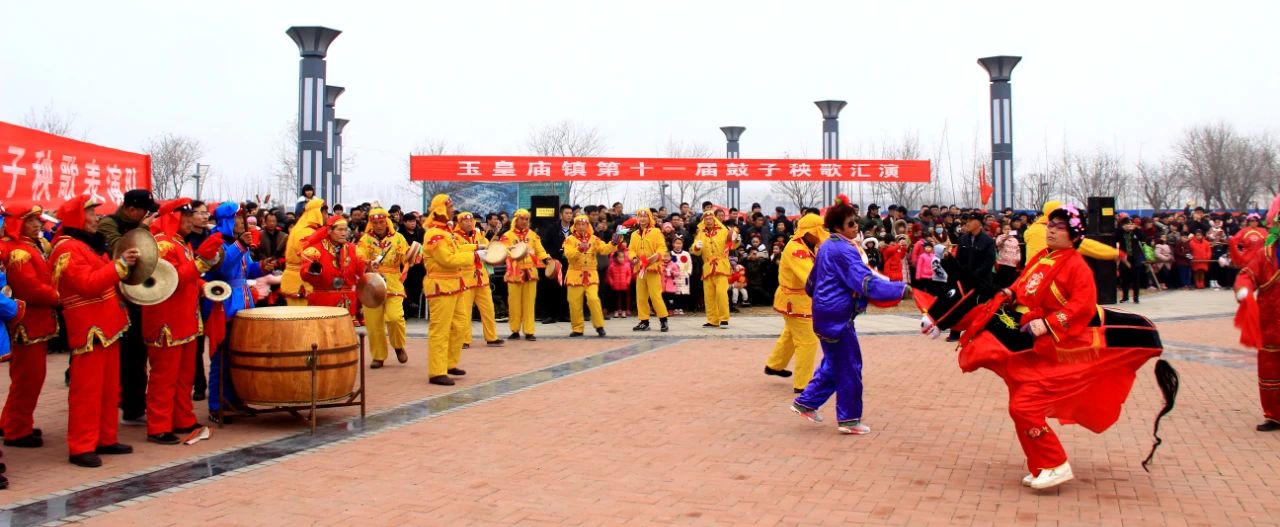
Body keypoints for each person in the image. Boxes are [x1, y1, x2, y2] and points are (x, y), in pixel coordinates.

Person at [924, 205, 1167, 489]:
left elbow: (1083, 305)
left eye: (1059, 227)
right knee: (1018, 400)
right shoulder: (1044, 256)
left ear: (1074, 235)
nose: (1051, 230)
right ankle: (1041, 465)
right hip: (1034, 336)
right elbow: (1024, 283)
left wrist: (1049, 323)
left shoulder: (1076, 265)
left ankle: (1055, 463)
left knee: (1024, 406)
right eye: (1050, 225)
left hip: (1061, 344)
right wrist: (1009, 293)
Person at [791, 196, 907, 435]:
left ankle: (807, 402)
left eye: (856, 222)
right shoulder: (843, 249)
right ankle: (849, 419)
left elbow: (812, 282)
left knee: (834, 362)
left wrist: (822, 298)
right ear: (837, 227)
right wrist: (900, 289)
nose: (856, 227)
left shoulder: (827, 246)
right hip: (837, 316)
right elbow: (865, 282)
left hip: (825, 312)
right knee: (849, 366)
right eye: (851, 224)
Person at [50, 195, 140, 467]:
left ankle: (105, 437)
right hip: (89, 327)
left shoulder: (86, 245)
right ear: (77, 217)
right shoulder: (66, 249)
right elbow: (88, 284)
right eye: (90, 213)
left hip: (107, 324)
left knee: (109, 388)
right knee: (87, 392)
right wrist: (120, 264)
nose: (96, 218)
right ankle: (81, 446)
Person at [141, 199, 222, 445]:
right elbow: (171, 280)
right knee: (164, 376)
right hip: (166, 320)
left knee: (184, 375)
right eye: (186, 217)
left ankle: (182, 418)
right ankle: (158, 425)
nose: (190, 221)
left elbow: (187, 276)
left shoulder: (179, 242)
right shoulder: (162, 244)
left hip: (185, 318)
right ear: (173, 218)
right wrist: (201, 263)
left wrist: (203, 285)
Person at [202, 203, 274, 424]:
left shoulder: (238, 242)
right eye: (238, 219)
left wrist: (262, 266)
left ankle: (235, 399)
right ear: (227, 221)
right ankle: (217, 405)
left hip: (241, 300)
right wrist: (241, 245)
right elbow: (221, 269)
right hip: (223, 304)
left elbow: (246, 270)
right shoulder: (216, 241)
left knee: (237, 355)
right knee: (221, 356)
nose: (242, 223)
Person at [98, 188, 159, 427]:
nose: (147, 216)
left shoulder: (138, 223)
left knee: (136, 354)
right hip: (115, 296)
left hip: (136, 294)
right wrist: (143, 230)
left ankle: (133, 407)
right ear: (132, 209)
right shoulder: (109, 224)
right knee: (123, 357)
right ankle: (124, 406)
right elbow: (120, 249)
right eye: (145, 212)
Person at [1, 203, 59, 449]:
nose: (38, 225)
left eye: (38, 220)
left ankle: (12, 421)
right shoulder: (18, 251)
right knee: (28, 379)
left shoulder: (29, 246)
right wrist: (58, 296)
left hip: (36, 321)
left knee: (29, 378)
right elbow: (30, 288)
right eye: (31, 221)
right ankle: (16, 430)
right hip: (27, 324)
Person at [1233, 193, 1280, 432]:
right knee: (1270, 370)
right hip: (1270, 324)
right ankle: (1274, 415)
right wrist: (1244, 290)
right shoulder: (1265, 255)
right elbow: (1247, 275)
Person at [764, 213, 825, 393]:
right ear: (809, 232)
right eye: (819, 230)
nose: (822, 234)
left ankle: (775, 364)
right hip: (795, 301)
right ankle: (803, 384)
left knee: (791, 334)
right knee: (808, 341)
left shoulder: (809, 244)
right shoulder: (796, 250)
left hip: (800, 299)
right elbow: (809, 276)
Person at [421, 194, 478, 386]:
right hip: (440, 285)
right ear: (441, 210)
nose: (453, 210)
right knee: (441, 329)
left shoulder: (446, 232)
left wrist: (477, 249)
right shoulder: (434, 234)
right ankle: (437, 371)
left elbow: (457, 250)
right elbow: (447, 260)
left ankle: (449, 363)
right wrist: (475, 257)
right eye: (450, 207)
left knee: (460, 325)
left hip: (455, 284)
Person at [355, 207, 412, 368]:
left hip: (393, 282)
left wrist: (413, 255)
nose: (379, 226)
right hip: (371, 284)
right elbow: (358, 256)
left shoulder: (398, 238)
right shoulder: (365, 240)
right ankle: (378, 356)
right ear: (370, 223)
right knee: (373, 323)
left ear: (386, 221)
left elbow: (405, 257)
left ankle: (398, 345)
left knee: (395, 318)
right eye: (375, 223)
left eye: (381, 222)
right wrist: (367, 263)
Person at [453, 212, 503, 348]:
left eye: (471, 221)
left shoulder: (479, 234)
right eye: (465, 221)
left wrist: (495, 248)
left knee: (488, 310)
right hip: (465, 279)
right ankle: (464, 340)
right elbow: (457, 250)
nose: (469, 223)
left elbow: (487, 246)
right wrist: (476, 247)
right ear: (459, 223)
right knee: (465, 312)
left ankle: (492, 337)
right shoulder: (454, 236)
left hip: (482, 278)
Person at [563, 214, 617, 337]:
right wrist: (579, 250)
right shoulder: (569, 240)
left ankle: (599, 326)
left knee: (593, 299)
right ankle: (577, 328)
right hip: (575, 275)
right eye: (578, 224)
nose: (581, 227)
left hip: (591, 274)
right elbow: (568, 254)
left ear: (588, 226)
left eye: (584, 224)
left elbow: (604, 249)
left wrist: (613, 243)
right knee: (574, 302)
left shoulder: (594, 239)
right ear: (575, 226)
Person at [500, 209, 551, 341]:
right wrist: (514, 253)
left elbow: (540, 250)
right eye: (522, 219)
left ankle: (529, 331)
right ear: (516, 220)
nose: (524, 221)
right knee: (514, 304)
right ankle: (515, 330)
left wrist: (546, 258)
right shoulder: (507, 236)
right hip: (514, 273)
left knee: (529, 303)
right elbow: (503, 251)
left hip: (530, 273)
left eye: (527, 219)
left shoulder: (533, 235)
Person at [301, 215, 364, 316]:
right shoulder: (315, 250)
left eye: (345, 230)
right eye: (340, 230)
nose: (344, 233)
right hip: (323, 301)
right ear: (330, 230)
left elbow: (362, 273)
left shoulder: (354, 250)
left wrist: (370, 267)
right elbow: (305, 274)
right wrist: (312, 270)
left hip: (347, 302)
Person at [629, 209, 671, 332]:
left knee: (655, 295)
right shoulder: (634, 234)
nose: (642, 219)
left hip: (652, 268)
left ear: (649, 218)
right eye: (640, 217)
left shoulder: (656, 232)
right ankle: (644, 321)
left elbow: (661, 247)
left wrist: (656, 256)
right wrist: (633, 257)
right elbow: (631, 249)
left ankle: (663, 320)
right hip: (640, 269)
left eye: (645, 216)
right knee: (641, 296)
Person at [692, 212, 734, 329]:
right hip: (708, 267)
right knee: (709, 295)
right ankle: (712, 320)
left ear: (714, 219)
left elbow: (732, 244)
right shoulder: (700, 234)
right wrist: (696, 247)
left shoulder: (723, 231)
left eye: (711, 218)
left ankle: (724, 319)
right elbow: (696, 251)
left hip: (721, 266)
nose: (709, 221)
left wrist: (736, 239)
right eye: (706, 219)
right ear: (703, 221)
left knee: (721, 293)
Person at [282, 198, 325, 306]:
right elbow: (310, 258)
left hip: (297, 281)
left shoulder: (301, 229)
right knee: (302, 315)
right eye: (324, 213)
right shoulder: (306, 232)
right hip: (301, 283)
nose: (326, 216)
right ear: (317, 214)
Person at [538, 205, 574, 324]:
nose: (569, 215)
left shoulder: (574, 228)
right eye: (566, 213)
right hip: (555, 262)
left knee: (566, 289)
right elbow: (544, 244)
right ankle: (550, 315)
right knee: (552, 289)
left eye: (570, 213)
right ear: (561, 215)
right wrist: (555, 254)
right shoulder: (552, 228)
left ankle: (564, 314)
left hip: (570, 263)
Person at [1118, 217, 1147, 303]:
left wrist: (1136, 229)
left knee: (1136, 279)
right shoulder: (1120, 232)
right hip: (1125, 258)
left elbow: (1143, 237)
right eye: (1127, 224)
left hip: (1135, 258)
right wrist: (1122, 229)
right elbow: (1115, 237)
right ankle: (1125, 296)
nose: (1129, 226)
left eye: (1130, 224)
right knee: (1124, 278)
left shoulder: (1135, 231)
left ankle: (1136, 297)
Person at [606, 250, 633, 318]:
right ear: (615, 258)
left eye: (622, 257)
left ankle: (624, 311)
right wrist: (611, 282)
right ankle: (616, 311)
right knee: (615, 299)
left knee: (624, 299)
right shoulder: (612, 266)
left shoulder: (626, 266)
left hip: (624, 285)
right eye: (619, 257)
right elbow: (609, 275)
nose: (621, 259)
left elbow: (629, 274)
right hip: (615, 285)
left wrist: (628, 281)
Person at [670, 238, 692, 315]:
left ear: (682, 244)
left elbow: (689, 263)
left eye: (680, 243)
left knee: (682, 292)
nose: (678, 245)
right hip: (674, 276)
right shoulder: (671, 253)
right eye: (676, 243)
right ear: (673, 244)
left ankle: (681, 308)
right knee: (675, 292)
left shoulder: (686, 254)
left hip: (684, 275)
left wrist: (688, 272)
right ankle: (675, 308)